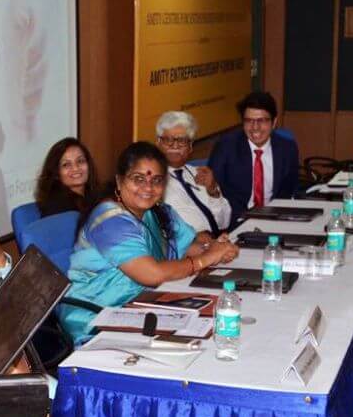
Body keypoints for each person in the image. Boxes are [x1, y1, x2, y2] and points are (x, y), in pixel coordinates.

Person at [59, 142, 239, 344]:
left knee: (214, 328)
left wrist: (215, 249)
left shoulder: (159, 211)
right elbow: (151, 274)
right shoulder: (110, 220)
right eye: (138, 179)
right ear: (119, 181)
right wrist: (205, 259)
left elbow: (186, 247)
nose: (148, 187)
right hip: (97, 315)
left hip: (143, 304)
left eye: (156, 180)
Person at [208, 91, 299, 220]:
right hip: (236, 222)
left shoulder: (287, 148)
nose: (255, 127)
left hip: (275, 219)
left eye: (261, 120)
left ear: (274, 122)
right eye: (249, 121)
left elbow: (290, 191)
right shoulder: (226, 147)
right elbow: (214, 192)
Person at [155, 111, 232, 235]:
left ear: (190, 146)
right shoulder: (152, 180)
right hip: (185, 249)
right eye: (168, 140)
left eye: (182, 141)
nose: (175, 145)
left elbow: (224, 222)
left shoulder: (200, 173)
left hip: (216, 242)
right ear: (158, 143)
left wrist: (213, 193)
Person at [34, 137, 99, 216]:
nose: (75, 168)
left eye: (80, 161)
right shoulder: (59, 208)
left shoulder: (94, 196)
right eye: (66, 165)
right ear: (56, 173)